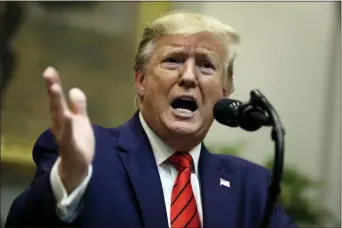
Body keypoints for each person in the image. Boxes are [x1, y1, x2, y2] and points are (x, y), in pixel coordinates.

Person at [5, 10, 295, 228]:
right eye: (174, 60)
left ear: (225, 92)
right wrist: (68, 179)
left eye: (206, 65)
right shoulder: (86, 157)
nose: (189, 77)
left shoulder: (253, 188)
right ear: (141, 80)